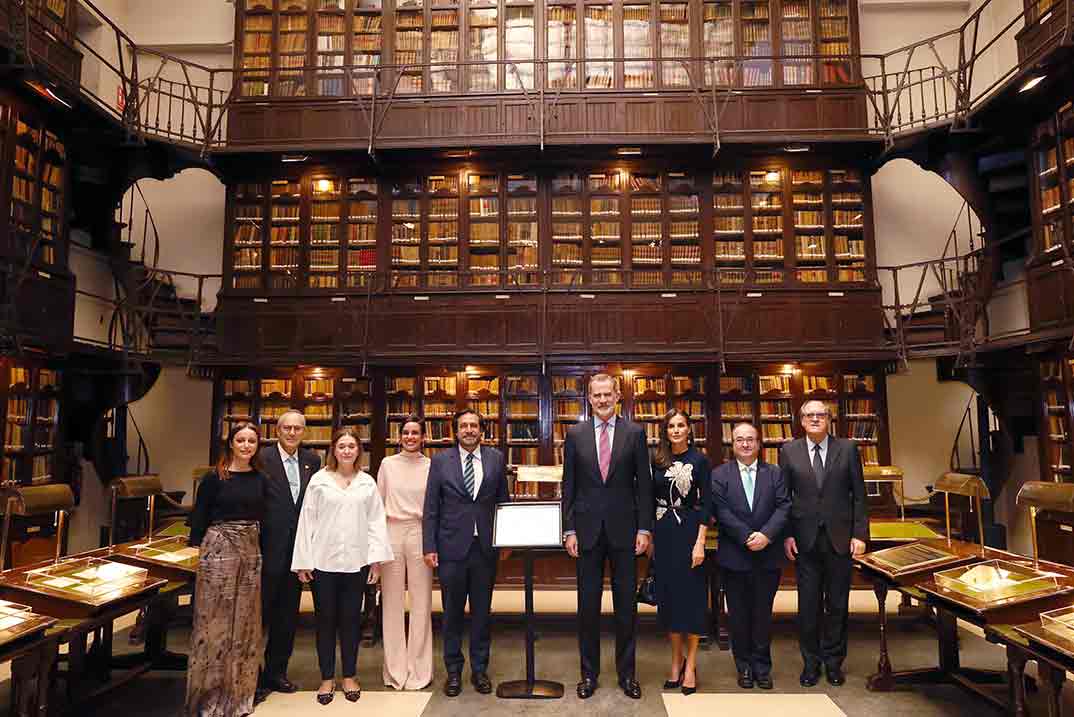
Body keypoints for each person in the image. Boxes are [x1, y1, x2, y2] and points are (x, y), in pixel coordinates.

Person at [562, 373, 653, 700]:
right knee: (587, 607)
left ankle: (627, 675)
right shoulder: (575, 434)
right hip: (585, 533)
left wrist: (644, 528)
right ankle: (589, 675)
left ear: (618, 396)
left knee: (626, 607)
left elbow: (643, 485)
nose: (602, 400)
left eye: (607, 394)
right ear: (589, 398)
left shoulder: (635, 433)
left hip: (625, 532)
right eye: (596, 395)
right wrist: (568, 528)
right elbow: (568, 486)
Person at [292, 427, 393, 705]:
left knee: (350, 621)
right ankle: (327, 677)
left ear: (358, 451)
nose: (347, 450)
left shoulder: (367, 483)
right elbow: (306, 521)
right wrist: (303, 561)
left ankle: (349, 675)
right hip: (323, 562)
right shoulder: (319, 481)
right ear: (333, 450)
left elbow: (376, 523)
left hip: (356, 562)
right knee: (325, 621)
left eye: (352, 446)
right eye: (342, 446)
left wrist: (376, 561)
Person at [780, 400, 868, 688]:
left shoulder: (848, 449)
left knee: (838, 604)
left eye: (821, 415)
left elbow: (859, 495)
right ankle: (811, 663)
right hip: (804, 540)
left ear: (830, 419)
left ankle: (833, 663)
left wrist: (860, 534)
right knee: (808, 606)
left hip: (840, 539)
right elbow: (785, 498)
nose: (815, 419)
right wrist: (788, 534)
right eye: (809, 415)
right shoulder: (788, 451)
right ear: (801, 421)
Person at [422, 409, 509, 698]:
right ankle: (454, 672)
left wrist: (505, 539)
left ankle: (480, 670)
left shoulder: (496, 458)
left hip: (485, 548)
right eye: (464, 426)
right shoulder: (440, 462)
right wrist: (429, 546)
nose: (469, 430)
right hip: (450, 548)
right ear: (455, 431)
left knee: (482, 613)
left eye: (474, 425)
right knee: (452, 615)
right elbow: (431, 507)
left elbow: (502, 502)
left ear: (481, 430)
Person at [186, 422, 266, 717]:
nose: (246, 445)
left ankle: (240, 695)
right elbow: (199, 519)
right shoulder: (213, 478)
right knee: (214, 621)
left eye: (252, 441)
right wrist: (198, 553)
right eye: (241, 440)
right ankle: (209, 696)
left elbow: (264, 517)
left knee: (245, 621)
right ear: (230, 443)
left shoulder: (261, 478)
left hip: (251, 550)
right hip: (218, 550)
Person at [711, 422, 790, 690]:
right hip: (734, 556)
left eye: (750, 439)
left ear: (759, 444)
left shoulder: (775, 474)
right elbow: (721, 512)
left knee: (762, 615)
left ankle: (762, 667)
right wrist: (747, 536)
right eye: (739, 440)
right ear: (732, 444)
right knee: (738, 616)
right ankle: (743, 667)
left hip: (768, 557)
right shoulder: (720, 474)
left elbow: (783, 507)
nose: (745, 444)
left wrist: (766, 535)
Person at [256, 409, 321, 701]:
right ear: (277, 430)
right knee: (258, 617)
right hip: (266, 549)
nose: (292, 432)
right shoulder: (261, 459)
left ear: (304, 431)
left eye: (297, 428)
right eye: (287, 428)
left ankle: (275, 673)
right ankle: (250, 676)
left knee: (286, 617)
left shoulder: (312, 461)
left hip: (298, 553)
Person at [651, 409, 711, 696]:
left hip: (689, 533)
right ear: (666, 431)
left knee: (693, 600)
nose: (676, 430)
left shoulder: (699, 461)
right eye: (671, 426)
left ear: (689, 429)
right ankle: (676, 661)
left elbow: (707, 504)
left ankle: (691, 666)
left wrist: (700, 542)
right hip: (663, 535)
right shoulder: (657, 461)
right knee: (669, 600)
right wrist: (649, 536)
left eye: (681, 425)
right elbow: (648, 499)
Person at [377, 415, 434, 691]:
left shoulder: (431, 466)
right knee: (392, 603)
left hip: (421, 532)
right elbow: (377, 505)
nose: (410, 437)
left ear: (424, 437)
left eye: (415, 433)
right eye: (406, 432)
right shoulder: (387, 465)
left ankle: (420, 670)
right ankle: (395, 671)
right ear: (399, 436)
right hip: (391, 532)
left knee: (422, 602)